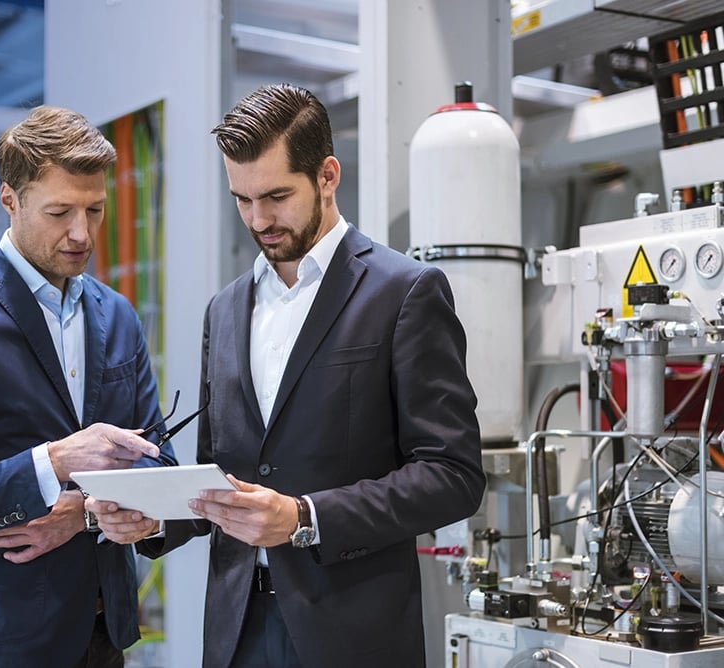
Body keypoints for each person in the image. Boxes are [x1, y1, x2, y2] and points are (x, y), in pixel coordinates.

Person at [90, 83, 485, 667]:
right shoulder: (224, 311)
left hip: (352, 634)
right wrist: (153, 519)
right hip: (236, 631)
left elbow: (453, 475)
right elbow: (219, 474)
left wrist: (305, 518)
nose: (259, 219)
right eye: (242, 199)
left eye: (276, 195)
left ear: (328, 175)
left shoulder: (404, 293)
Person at [0, 105, 177, 668]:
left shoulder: (118, 316)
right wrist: (52, 463)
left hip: (104, 637)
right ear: (10, 200)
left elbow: (160, 467)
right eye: (59, 212)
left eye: (95, 210)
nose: (81, 233)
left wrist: (88, 512)